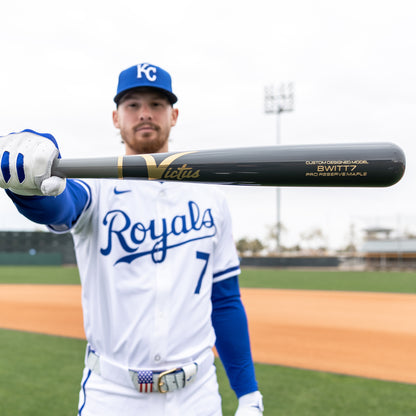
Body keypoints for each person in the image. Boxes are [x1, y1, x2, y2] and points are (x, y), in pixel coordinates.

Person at [0, 63, 264, 416]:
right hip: (113, 394)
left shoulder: (211, 197)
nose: (145, 114)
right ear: (115, 118)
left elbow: (225, 299)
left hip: (197, 394)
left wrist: (248, 393)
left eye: (157, 104)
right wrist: (28, 189)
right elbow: (59, 206)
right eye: (133, 104)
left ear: (174, 116)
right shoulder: (96, 186)